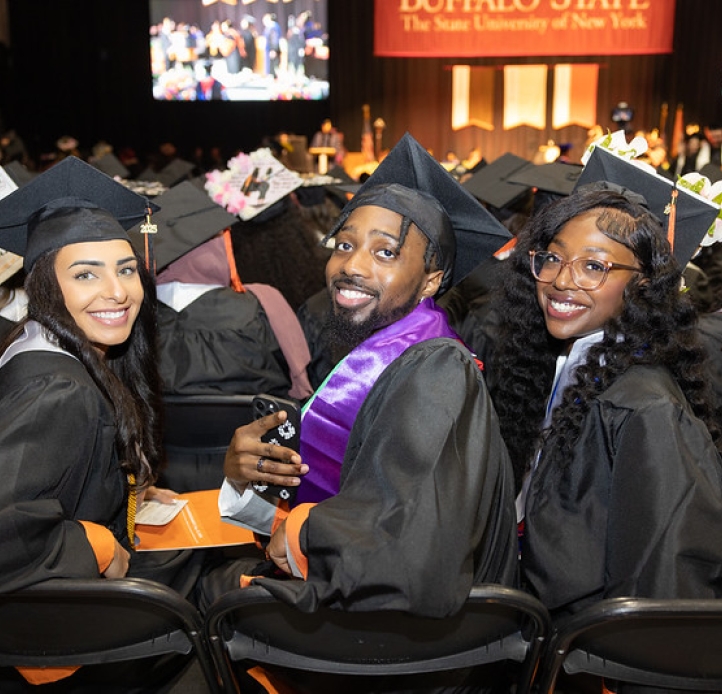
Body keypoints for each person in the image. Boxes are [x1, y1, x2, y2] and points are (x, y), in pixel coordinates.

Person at [204, 132, 518, 692]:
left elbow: (406, 547)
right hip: (371, 632)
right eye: (344, 244)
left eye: (385, 251)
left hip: (408, 658)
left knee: (212, 598)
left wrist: (299, 530)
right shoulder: (378, 353)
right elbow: (348, 501)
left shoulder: (437, 370)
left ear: (432, 279)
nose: (351, 266)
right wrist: (245, 481)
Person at [490, 146, 722, 655]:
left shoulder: (644, 408)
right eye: (552, 256)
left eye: (594, 265)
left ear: (642, 286)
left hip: (584, 659)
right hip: (537, 630)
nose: (562, 279)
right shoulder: (565, 366)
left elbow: (663, 594)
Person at [0, 157, 205, 691]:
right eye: (85, 273)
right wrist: (97, 544)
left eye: (126, 268)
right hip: (59, 643)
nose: (117, 292)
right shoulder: (59, 388)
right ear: (45, 283)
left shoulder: (34, 343)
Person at [128, 182, 311, 491]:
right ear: (216, 250)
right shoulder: (265, 305)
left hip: (158, 481)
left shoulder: (130, 320)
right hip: (258, 483)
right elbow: (300, 392)